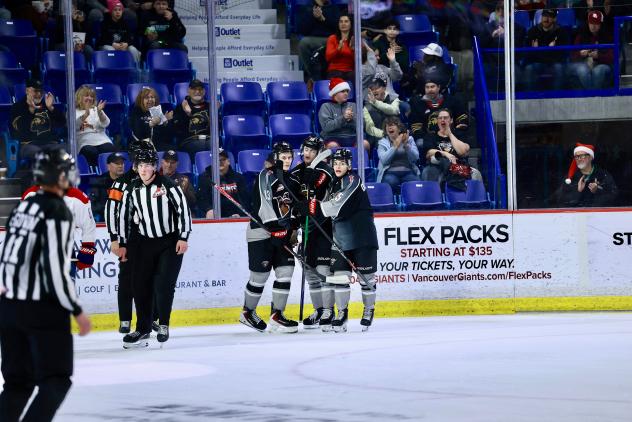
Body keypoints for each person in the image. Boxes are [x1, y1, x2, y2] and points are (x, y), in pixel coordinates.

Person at [0, 149, 91, 422]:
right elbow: (56, 270)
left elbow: (7, 256)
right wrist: (76, 310)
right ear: (60, 176)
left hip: (9, 307)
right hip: (42, 310)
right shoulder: (58, 211)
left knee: (18, 384)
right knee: (56, 380)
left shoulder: (23, 205)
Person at [116, 148, 191, 347]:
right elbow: (124, 216)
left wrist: (183, 237)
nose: (143, 169)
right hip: (144, 242)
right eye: (140, 166)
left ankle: (163, 324)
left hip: (169, 242)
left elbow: (183, 211)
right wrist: (122, 243)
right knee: (139, 285)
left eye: (147, 165)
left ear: (155, 167)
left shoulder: (168, 185)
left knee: (163, 284)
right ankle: (142, 329)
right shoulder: (132, 188)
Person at [298, 149, 379, 332]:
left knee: (365, 278)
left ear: (349, 165)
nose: (338, 166)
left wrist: (312, 206)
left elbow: (336, 205)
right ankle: (342, 313)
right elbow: (320, 195)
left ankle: (368, 309)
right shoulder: (333, 182)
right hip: (340, 238)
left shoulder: (353, 180)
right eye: (335, 163)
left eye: (342, 163)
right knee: (339, 277)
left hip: (361, 237)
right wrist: (310, 184)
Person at [240, 142, 301, 333]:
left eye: (289, 157)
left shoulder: (292, 180)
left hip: (281, 236)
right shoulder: (265, 176)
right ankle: (247, 312)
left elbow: (293, 210)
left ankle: (277, 315)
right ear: (274, 158)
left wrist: (293, 229)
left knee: (286, 272)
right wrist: (277, 228)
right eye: (283, 157)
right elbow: (264, 205)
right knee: (259, 276)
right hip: (261, 233)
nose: (287, 160)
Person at [104, 141, 152, 334]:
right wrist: (114, 238)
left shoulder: (154, 181)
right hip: (128, 240)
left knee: (149, 280)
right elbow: (110, 211)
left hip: (151, 239)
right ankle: (125, 320)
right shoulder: (121, 183)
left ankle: (147, 320)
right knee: (126, 279)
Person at [290, 135, 334, 328]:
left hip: (324, 226)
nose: (307, 153)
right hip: (305, 227)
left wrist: (309, 174)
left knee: (323, 271)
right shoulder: (297, 171)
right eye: (305, 150)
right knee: (310, 273)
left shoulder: (326, 170)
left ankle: (328, 311)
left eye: (312, 150)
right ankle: (318, 310)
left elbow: (318, 184)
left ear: (319, 153)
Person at [420, 109, 482, 191]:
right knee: (427, 171)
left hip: (457, 166)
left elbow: (462, 151)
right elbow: (429, 152)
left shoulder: (459, 134)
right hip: (438, 166)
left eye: (445, 118)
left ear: (451, 120)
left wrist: (450, 134)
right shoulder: (431, 136)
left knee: (476, 173)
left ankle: (473, 201)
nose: (442, 120)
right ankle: (434, 200)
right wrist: (446, 154)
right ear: (437, 121)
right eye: (440, 118)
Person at [10, 79, 65, 161]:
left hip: (50, 144)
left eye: (41, 91)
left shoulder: (46, 104)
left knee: (68, 148)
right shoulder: (17, 107)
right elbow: (21, 131)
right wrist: (30, 111)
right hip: (29, 145)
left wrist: (51, 108)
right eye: (35, 91)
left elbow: (62, 123)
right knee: (40, 154)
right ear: (27, 91)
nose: (39, 94)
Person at [409, 79, 469, 150]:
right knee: (420, 143)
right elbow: (416, 125)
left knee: (462, 139)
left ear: (438, 87)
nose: (430, 89)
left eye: (432, 87)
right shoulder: (418, 104)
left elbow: (462, 117)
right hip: (429, 138)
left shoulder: (451, 101)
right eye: (427, 87)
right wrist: (425, 136)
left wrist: (458, 129)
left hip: (450, 135)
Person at [554, 142, 618, 207]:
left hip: (598, 215)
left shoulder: (602, 175)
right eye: (576, 156)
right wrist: (578, 191)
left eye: (582, 156)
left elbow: (614, 198)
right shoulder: (570, 178)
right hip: (576, 216)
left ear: (590, 157)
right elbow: (561, 201)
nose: (579, 159)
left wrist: (597, 191)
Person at [524, 9, 569, 91]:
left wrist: (539, 51)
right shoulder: (533, 31)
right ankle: (530, 97)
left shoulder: (561, 32)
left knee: (559, 68)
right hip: (538, 62)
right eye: (544, 16)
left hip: (554, 63)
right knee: (529, 69)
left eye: (549, 17)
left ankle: (557, 97)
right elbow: (527, 54)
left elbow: (562, 54)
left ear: (554, 19)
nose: (546, 19)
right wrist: (548, 51)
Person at [197, 149, 250, 219]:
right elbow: (202, 198)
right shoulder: (205, 178)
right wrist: (208, 209)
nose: (220, 162)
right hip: (214, 216)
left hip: (235, 215)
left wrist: (240, 213)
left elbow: (245, 199)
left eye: (223, 159)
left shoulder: (238, 177)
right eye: (217, 160)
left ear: (228, 161)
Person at [296, 0, 341, 83]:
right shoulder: (307, 8)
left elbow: (338, 28)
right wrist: (313, 17)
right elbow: (302, 30)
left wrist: (323, 19)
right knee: (303, 43)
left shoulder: (333, 8)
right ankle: (315, 77)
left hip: (331, 39)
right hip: (313, 39)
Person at [567, 10, 613, 90]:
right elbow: (572, 55)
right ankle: (593, 96)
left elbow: (612, 56)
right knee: (582, 70)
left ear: (601, 24)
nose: (593, 26)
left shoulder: (608, 36)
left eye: (596, 23)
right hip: (584, 63)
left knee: (598, 71)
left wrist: (599, 56)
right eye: (591, 23)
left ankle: (592, 96)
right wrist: (580, 54)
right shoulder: (581, 35)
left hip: (602, 64)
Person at [376, 116, 420, 193]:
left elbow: (415, 157)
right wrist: (395, 147)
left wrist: (406, 145)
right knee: (390, 182)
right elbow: (384, 160)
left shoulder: (409, 140)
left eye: (392, 125)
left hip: (408, 172)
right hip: (390, 173)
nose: (390, 127)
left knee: (416, 183)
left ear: (399, 128)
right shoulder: (382, 143)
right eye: (387, 125)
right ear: (386, 130)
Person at [75, 85, 116, 166]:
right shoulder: (73, 111)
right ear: (80, 97)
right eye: (86, 96)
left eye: (91, 96)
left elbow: (106, 123)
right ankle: (95, 175)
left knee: (110, 149)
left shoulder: (96, 109)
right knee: (91, 152)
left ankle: (107, 174)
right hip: (84, 141)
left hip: (101, 139)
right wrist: (86, 113)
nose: (89, 98)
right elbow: (75, 126)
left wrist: (100, 112)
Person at [318, 78, 365, 149]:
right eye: (342, 91)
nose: (346, 93)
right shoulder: (326, 106)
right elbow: (326, 127)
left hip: (352, 137)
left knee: (365, 144)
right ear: (334, 93)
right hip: (332, 138)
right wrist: (343, 118)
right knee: (332, 146)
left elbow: (362, 126)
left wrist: (352, 119)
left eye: (347, 91)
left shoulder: (354, 105)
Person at [172, 79, 211, 159]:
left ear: (204, 91)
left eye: (200, 89)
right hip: (189, 141)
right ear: (188, 91)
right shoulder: (181, 107)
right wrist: (187, 114)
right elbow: (176, 130)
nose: (197, 92)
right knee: (203, 147)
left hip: (208, 140)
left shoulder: (210, 106)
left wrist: (215, 115)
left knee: (216, 148)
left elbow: (217, 129)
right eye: (194, 89)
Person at [363, 75, 402, 151]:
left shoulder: (394, 99)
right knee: (382, 143)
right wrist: (385, 134)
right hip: (378, 138)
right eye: (372, 89)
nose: (374, 91)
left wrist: (375, 102)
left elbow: (394, 110)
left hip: (396, 134)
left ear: (384, 88)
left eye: (377, 88)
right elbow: (370, 128)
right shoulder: (366, 108)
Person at [89, 151, 127, 220]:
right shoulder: (99, 182)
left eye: (122, 163)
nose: (120, 166)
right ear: (108, 166)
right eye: (117, 163)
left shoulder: (128, 181)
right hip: (104, 218)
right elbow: (93, 205)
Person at [325, 14, 354, 80]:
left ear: (351, 24)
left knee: (355, 77)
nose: (343, 23)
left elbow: (359, 61)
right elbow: (328, 57)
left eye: (346, 21)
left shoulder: (355, 40)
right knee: (337, 77)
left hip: (350, 71)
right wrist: (338, 49)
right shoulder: (332, 38)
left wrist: (353, 50)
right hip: (334, 70)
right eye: (341, 21)